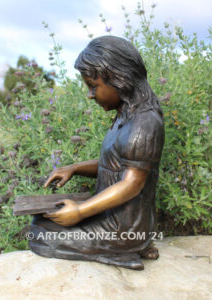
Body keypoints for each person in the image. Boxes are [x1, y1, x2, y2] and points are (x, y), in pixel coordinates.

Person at [29, 35, 165, 270]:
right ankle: (129, 248)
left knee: (40, 233)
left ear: (120, 79)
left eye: (94, 86)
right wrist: (74, 168)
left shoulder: (145, 124)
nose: (90, 95)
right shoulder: (125, 115)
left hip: (122, 229)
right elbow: (114, 165)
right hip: (111, 217)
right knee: (40, 221)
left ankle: (125, 251)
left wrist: (81, 211)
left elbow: (131, 184)